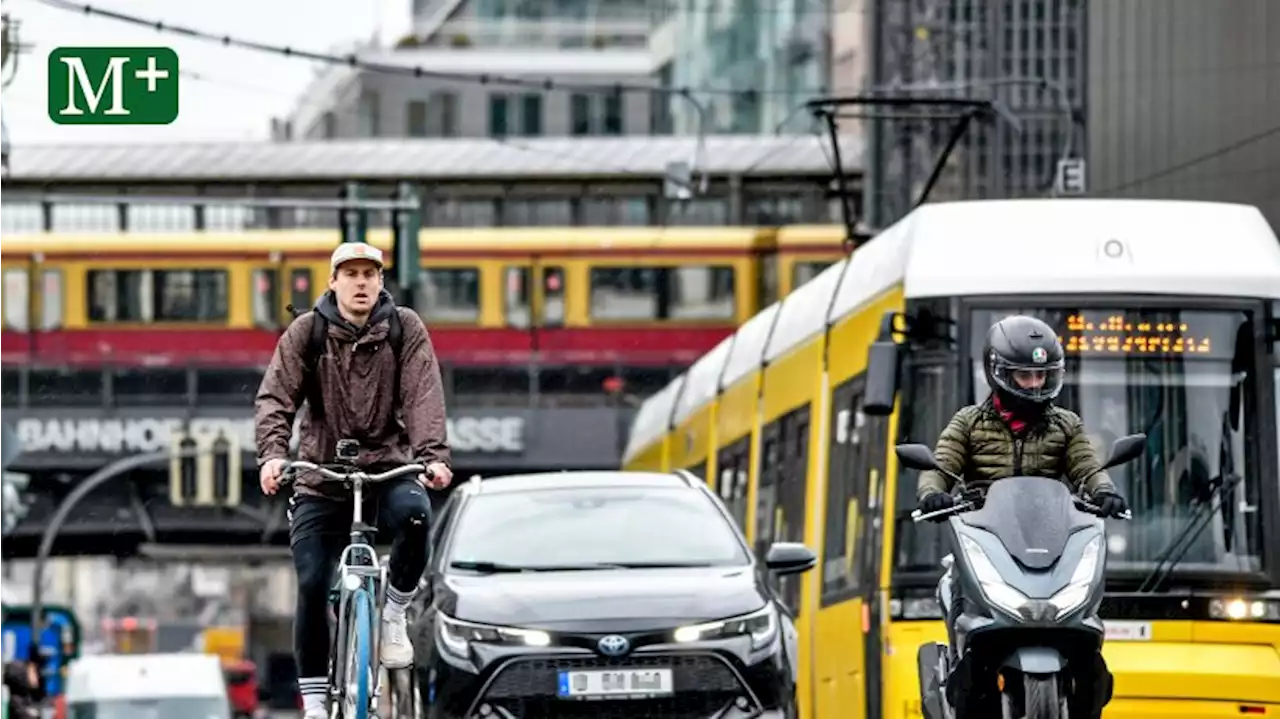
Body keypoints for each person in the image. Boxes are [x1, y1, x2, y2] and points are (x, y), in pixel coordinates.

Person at [255, 242, 454, 719]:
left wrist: (432, 457)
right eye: (351, 274)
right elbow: (275, 399)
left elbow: (423, 394)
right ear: (333, 282)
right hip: (321, 479)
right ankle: (318, 701)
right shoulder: (308, 333)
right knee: (311, 580)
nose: (361, 282)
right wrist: (272, 456)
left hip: (388, 467)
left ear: (381, 282)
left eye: (370, 274)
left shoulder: (404, 329)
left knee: (414, 516)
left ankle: (392, 613)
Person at [916, 314, 1128, 719]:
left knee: (1088, 640)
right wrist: (932, 494)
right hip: (987, 538)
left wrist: (1104, 491)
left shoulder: (1066, 424)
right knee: (969, 625)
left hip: (1052, 542)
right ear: (998, 374)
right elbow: (939, 467)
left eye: (1042, 376)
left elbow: (1087, 466)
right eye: (1024, 376)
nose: (1035, 385)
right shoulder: (968, 423)